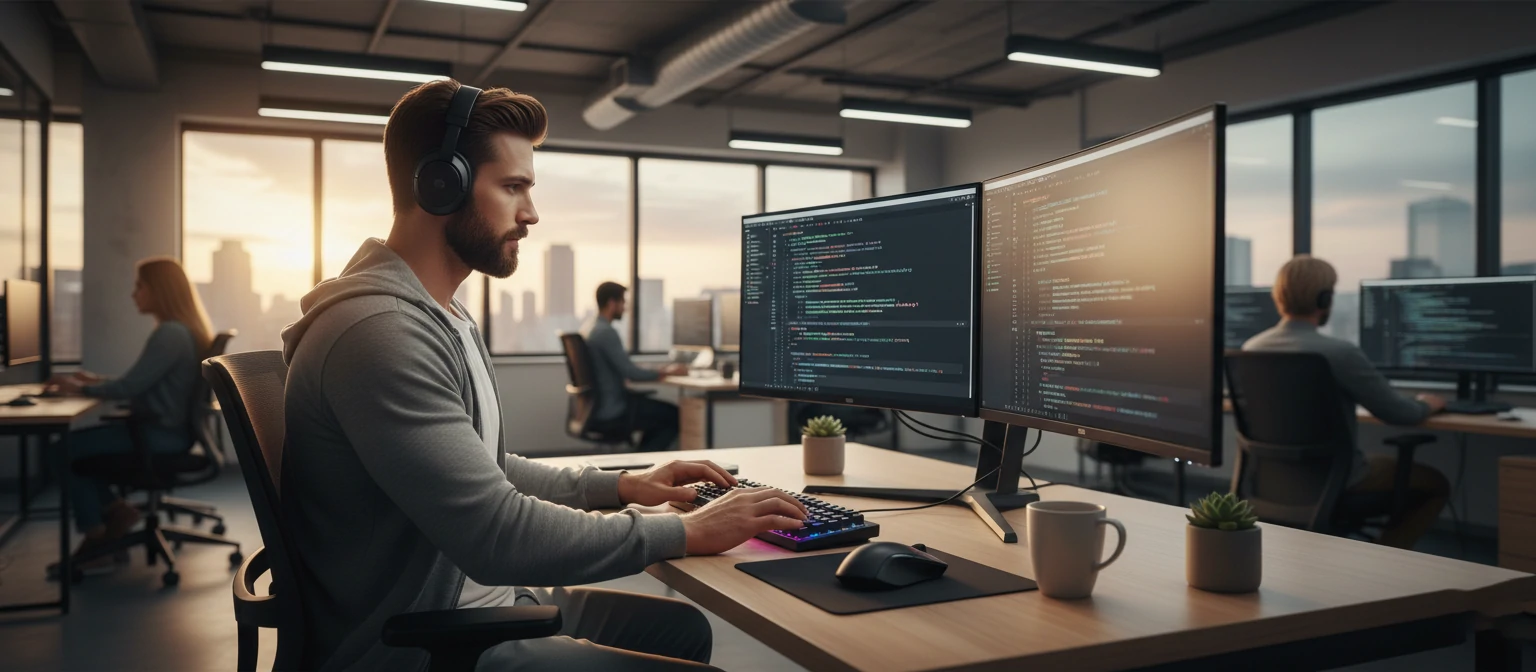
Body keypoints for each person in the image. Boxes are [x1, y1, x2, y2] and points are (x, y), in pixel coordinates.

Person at [280, 79, 807, 672]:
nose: (531, 214)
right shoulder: (379, 331)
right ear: (440, 183)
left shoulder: (442, 316)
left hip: (476, 600)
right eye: (512, 187)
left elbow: (483, 471)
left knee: (680, 628)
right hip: (423, 641)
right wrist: (683, 529)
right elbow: (498, 535)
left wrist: (623, 485)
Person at [1243, 255, 1450, 548]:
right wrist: (1428, 403)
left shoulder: (1252, 348)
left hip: (1269, 482)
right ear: (1325, 298)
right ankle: (1388, 559)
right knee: (1436, 484)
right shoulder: (1339, 353)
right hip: (1336, 483)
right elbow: (1399, 413)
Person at [48, 258, 212, 572]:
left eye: (139, 286)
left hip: (159, 437)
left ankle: (97, 537)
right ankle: (117, 513)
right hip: (169, 432)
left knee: (63, 449)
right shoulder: (181, 330)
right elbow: (139, 382)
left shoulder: (171, 333)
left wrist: (76, 388)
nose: (133, 294)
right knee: (79, 450)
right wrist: (91, 381)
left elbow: (130, 387)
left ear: (159, 291)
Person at [581, 281, 686, 452]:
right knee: (676, 416)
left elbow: (624, 367)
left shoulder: (590, 328)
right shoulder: (606, 332)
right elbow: (631, 373)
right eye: (623, 302)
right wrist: (665, 372)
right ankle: (646, 460)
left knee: (663, 416)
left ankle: (644, 458)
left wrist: (655, 371)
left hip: (600, 407)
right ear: (612, 303)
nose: (625, 307)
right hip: (614, 409)